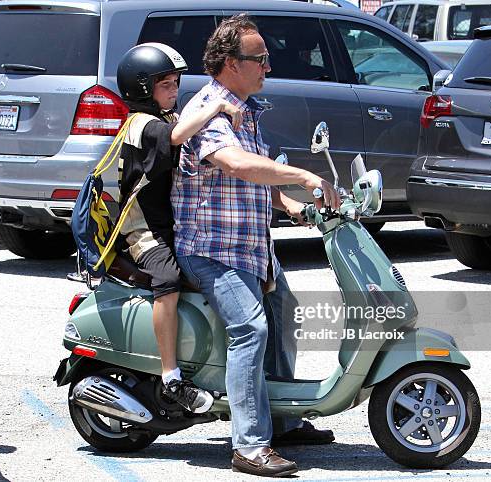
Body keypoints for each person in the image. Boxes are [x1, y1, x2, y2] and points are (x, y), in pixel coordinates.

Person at [171, 15, 340, 477]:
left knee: (283, 308)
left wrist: (291, 205)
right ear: (230, 63)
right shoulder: (211, 109)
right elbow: (236, 164)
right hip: (212, 248)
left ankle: (282, 418)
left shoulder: (244, 108)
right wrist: (305, 176)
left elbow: (256, 175)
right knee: (251, 329)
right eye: (260, 59)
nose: (268, 66)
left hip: (250, 245)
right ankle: (248, 444)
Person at [116, 43, 243, 414]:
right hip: (143, 229)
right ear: (141, 89)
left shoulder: (167, 116)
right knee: (168, 280)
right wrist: (216, 105)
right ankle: (171, 376)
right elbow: (174, 138)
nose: (174, 90)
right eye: (165, 84)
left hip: (171, 223)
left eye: (176, 83)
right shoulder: (142, 124)